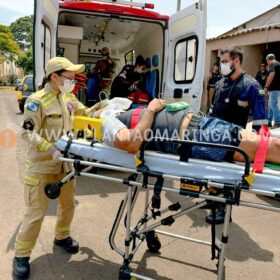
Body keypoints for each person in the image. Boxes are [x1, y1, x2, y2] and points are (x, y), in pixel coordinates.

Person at [13, 57, 96, 279]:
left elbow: (83, 113)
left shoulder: (67, 97)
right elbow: (26, 132)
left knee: (68, 204)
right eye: (70, 78)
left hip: (65, 164)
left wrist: (105, 106)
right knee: (35, 213)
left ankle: (61, 236)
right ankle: (21, 255)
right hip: (41, 165)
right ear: (54, 76)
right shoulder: (36, 101)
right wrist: (49, 148)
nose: (73, 82)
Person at [210, 47, 267, 132]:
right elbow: (211, 112)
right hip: (213, 138)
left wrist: (252, 141)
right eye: (221, 62)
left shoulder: (251, 86)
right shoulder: (219, 84)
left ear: (237, 61)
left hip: (233, 142)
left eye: (225, 61)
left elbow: (261, 123)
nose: (222, 65)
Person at [264, 53, 280, 128]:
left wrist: (266, 87)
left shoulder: (274, 64)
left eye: (267, 61)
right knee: (270, 105)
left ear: (268, 60)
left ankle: (278, 122)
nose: (267, 62)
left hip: (275, 88)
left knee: (273, 104)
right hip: (275, 88)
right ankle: (269, 122)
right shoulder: (278, 64)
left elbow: (271, 75)